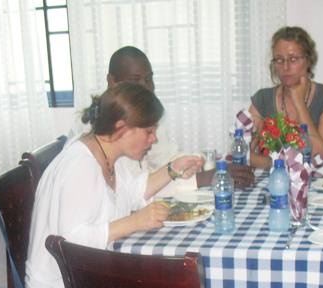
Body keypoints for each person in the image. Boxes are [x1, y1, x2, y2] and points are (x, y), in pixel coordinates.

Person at [26, 82, 203, 288]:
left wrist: (173, 169)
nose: (154, 138)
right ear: (122, 128)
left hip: (87, 273)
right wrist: (135, 222)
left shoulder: (107, 153)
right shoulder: (80, 166)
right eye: (149, 131)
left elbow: (133, 192)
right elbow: (70, 242)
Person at [72, 46, 254, 190]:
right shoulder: (101, 133)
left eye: (149, 79)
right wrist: (204, 178)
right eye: (135, 80)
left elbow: (164, 158)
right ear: (112, 81)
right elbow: (136, 190)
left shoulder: (144, 116)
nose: (146, 87)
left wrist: (209, 165)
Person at [248, 26, 323, 168]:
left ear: (308, 60)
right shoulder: (262, 99)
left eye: (293, 59)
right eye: (279, 60)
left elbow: (320, 155)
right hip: (272, 180)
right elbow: (242, 154)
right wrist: (277, 164)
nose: (285, 67)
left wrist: (299, 102)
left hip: (317, 181)